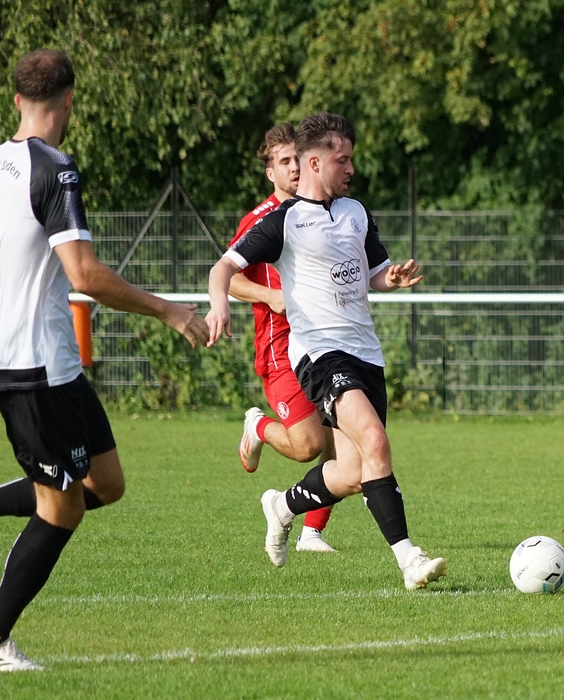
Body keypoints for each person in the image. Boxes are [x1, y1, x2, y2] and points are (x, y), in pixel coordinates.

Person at [0, 49, 208, 671]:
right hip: (35, 369)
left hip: (54, 367)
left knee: (105, 483)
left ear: (17, 99)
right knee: (62, 506)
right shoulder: (54, 169)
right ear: (70, 100)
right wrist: (169, 310)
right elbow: (85, 274)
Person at [205, 112, 447, 590]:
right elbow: (223, 268)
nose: (351, 168)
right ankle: (409, 559)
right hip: (319, 354)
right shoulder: (284, 221)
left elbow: (374, 272)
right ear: (314, 162)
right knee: (375, 441)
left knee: (353, 472)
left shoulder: (356, 212)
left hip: (366, 354)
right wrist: (219, 306)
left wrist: (390, 278)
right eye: (343, 160)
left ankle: (281, 505)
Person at [226, 123, 337, 553]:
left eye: (297, 159)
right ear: (270, 172)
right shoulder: (260, 221)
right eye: (284, 161)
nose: (294, 167)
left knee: (344, 440)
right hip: (281, 350)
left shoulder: (323, 212)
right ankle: (258, 426)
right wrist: (270, 295)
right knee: (309, 445)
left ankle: (312, 533)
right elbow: (229, 278)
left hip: (325, 343)